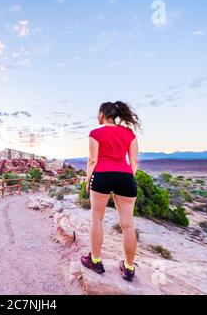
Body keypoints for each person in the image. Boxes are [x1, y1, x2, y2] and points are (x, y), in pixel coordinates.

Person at [81, 101, 140, 282]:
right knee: (128, 225)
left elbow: (92, 161)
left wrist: (88, 180)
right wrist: (126, 178)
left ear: (101, 114)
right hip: (125, 177)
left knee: (97, 219)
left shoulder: (95, 133)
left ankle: (96, 261)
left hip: (102, 175)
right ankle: (129, 268)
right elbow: (134, 163)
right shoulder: (129, 134)